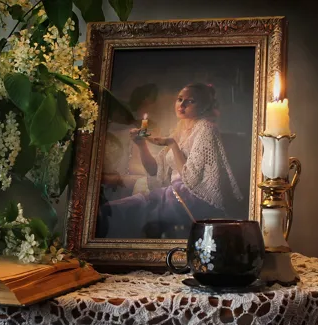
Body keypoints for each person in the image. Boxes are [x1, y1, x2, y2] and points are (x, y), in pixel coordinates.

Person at [96, 83, 243, 239]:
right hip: (174, 193)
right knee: (114, 209)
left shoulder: (206, 129)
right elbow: (154, 171)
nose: (182, 105)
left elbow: (191, 180)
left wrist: (172, 144)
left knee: (127, 210)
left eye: (190, 101)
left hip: (195, 197)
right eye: (180, 99)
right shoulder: (179, 129)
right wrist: (141, 145)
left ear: (204, 106)